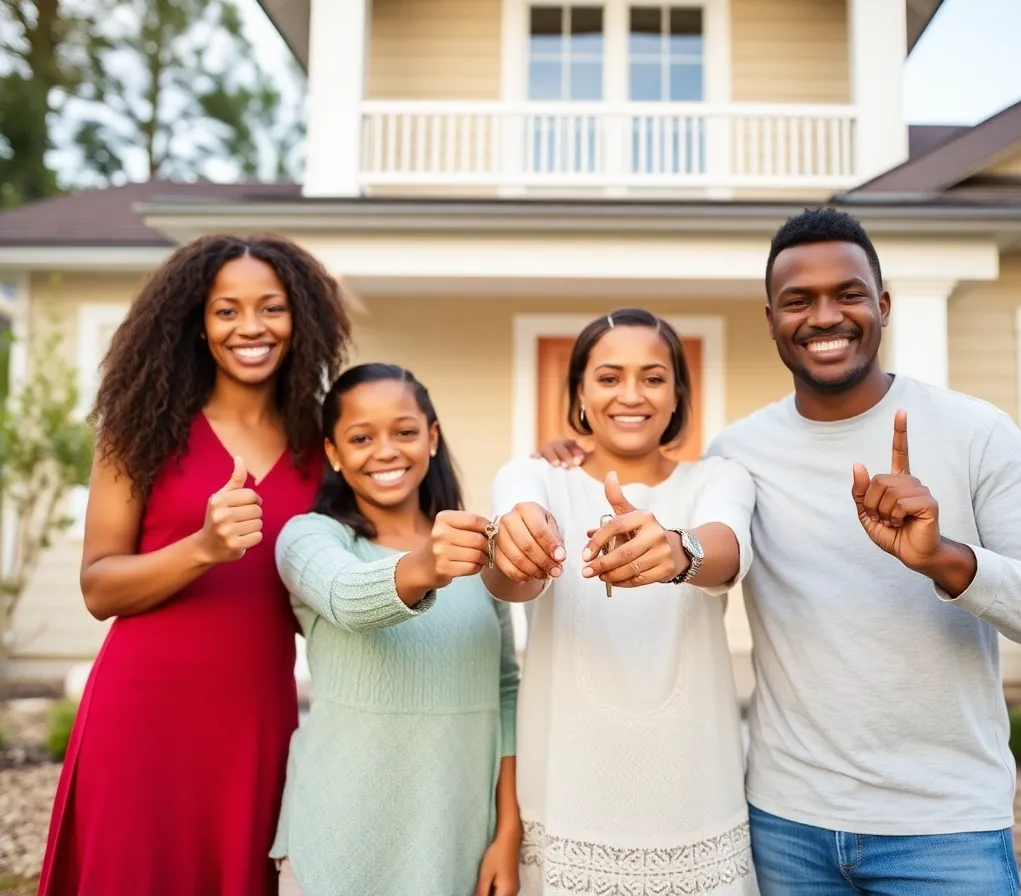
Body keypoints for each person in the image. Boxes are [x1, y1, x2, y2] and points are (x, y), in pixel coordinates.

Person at [534, 208, 1021, 895]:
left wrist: (945, 559)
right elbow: (709, 542)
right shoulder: (738, 455)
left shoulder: (975, 432)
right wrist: (570, 458)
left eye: (847, 294)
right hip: (786, 829)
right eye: (798, 300)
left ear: (884, 306)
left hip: (944, 832)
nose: (824, 316)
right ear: (773, 318)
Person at [39, 235, 351, 896]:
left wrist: (564, 453)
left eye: (271, 307)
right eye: (226, 310)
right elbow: (99, 586)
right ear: (199, 326)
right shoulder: (139, 429)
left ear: (301, 320)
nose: (250, 327)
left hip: (256, 719)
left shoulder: (321, 446)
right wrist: (201, 548)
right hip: (143, 712)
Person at [483, 309, 758, 895]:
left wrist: (679, 550)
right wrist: (521, 545)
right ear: (579, 390)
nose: (631, 394)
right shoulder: (535, 478)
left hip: (692, 792)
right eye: (608, 377)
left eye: (653, 377)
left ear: (678, 392)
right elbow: (514, 572)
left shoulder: (719, 479)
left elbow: (726, 551)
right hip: (568, 792)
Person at [271, 363, 521, 896]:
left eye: (405, 432)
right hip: (334, 841)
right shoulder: (310, 538)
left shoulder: (476, 549)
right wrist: (427, 565)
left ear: (431, 437)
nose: (385, 451)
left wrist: (507, 830)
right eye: (361, 438)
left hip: (455, 842)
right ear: (334, 453)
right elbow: (346, 596)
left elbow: (505, 691)